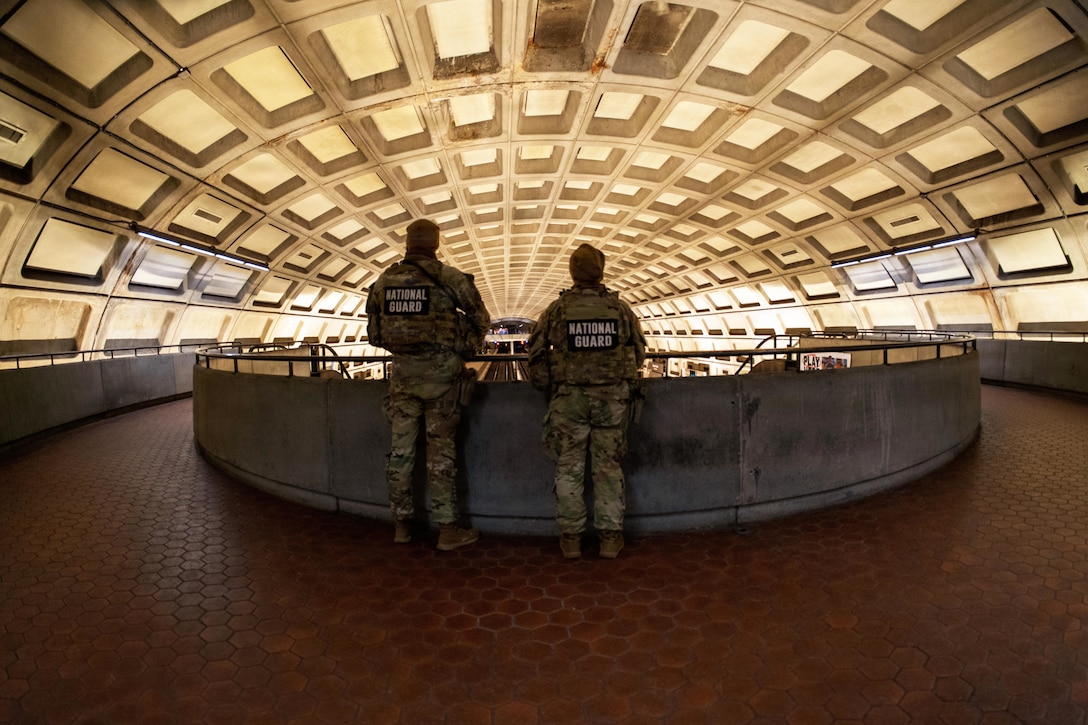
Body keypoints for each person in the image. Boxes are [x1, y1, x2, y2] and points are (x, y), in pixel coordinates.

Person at [366, 219, 491, 550]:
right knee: (442, 454)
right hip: (442, 380)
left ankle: (402, 526)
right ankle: (448, 530)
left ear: (407, 243)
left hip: (402, 378)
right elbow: (481, 318)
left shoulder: (383, 281)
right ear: (435, 244)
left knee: (401, 453)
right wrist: (465, 345)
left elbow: (375, 334)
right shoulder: (449, 278)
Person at [528, 244, 647, 559]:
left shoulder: (557, 310)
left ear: (572, 272)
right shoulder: (620, 310)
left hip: (570, 400)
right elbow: (638, 352)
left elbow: (536, 353)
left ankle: (571, 540)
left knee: (568, 468)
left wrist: (548, 387)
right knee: (608, 468)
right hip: (611, 401)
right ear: (601, 271)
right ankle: (609, 539)